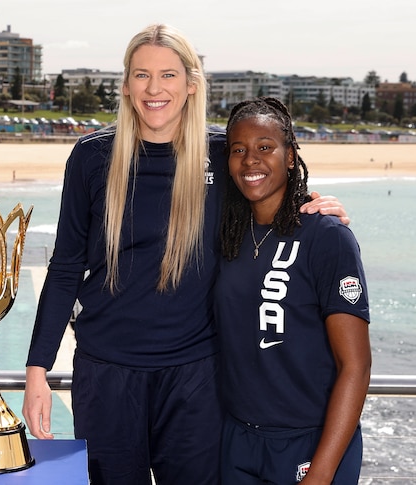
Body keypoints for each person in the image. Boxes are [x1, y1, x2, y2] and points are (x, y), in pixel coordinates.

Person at [21, 24, 349, 485]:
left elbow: (272, 198)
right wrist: (38, 368)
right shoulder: (93, 157)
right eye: (142, 75)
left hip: (198, 379)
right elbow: (66, 267)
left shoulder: (222, 154)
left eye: (168, 75)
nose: (154, 89)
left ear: (191, 84)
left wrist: (316, 208)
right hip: (106, 376)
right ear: (126, 83)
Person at [216, 97, 370, 484]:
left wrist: (320, 472)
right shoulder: (226, 237)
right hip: (237, 442)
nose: (251, 160)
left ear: (289, 157)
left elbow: (356, 365)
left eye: (265, 147)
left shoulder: (327, 237)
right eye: (239, 150)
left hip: (311, 444)